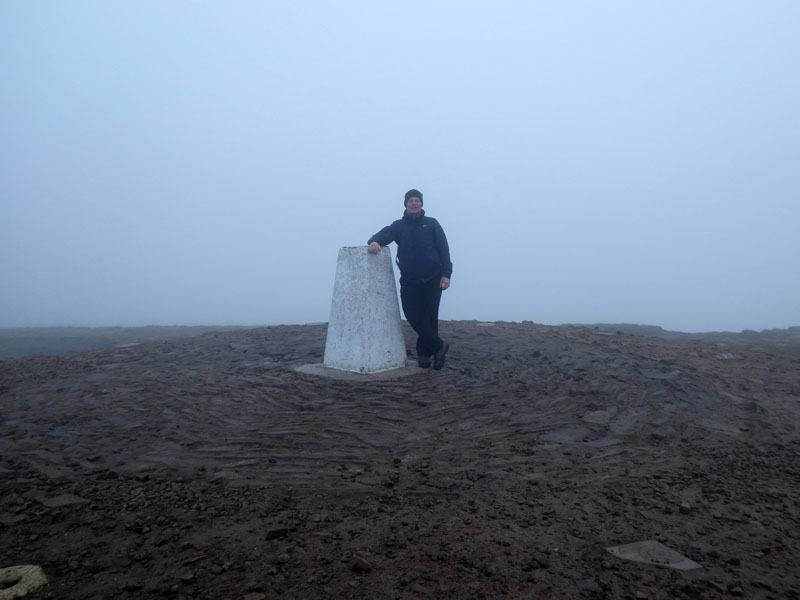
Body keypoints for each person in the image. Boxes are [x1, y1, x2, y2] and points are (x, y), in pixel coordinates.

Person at [368, 189, 452, 369]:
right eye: (410, 201)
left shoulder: (432, 224)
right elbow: (384, 235)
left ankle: (425, 355)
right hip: (410, 279)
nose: (414, 203)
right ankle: (439, 346)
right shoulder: (399, 225)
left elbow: (444, 250)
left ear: (421, 204)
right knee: (412, 314)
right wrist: (375, 242)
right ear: (405, 205)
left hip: (432, 278)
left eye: (417, 201)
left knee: (430, 317)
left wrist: (446, 274)